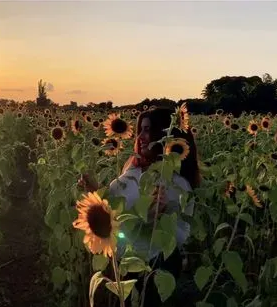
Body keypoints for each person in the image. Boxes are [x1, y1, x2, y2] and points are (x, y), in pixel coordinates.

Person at [79, 107, 201, 307]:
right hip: (126, 260)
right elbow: (114, 205)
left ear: (163, 135)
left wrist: (157, 219)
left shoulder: (176, 183)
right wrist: (95, 191)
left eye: (147, 130)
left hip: (154, 265)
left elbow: (182, 235)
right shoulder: (133, 167)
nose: (141, 136)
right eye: (140, 130)